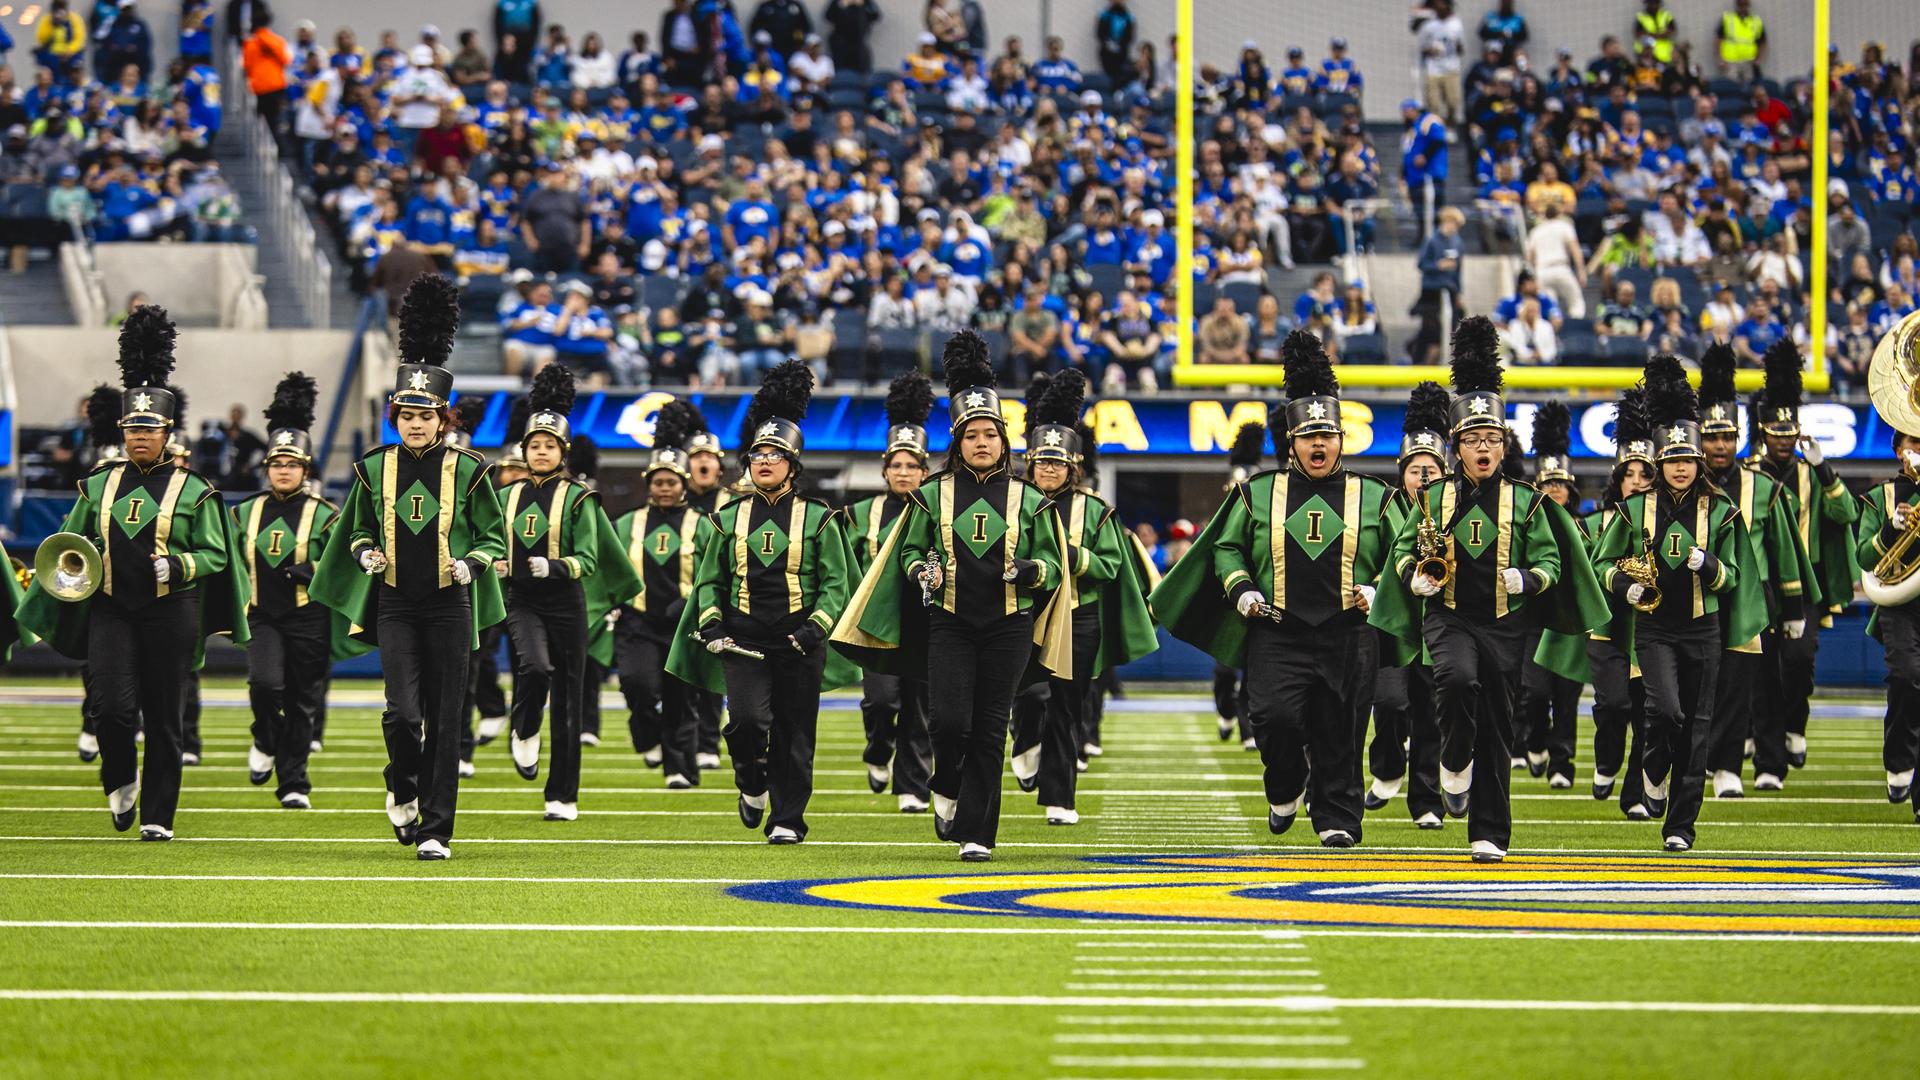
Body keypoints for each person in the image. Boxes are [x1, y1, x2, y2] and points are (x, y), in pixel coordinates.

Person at [1369, 317, 1609, 862]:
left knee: (1501, 722)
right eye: (1473, 439)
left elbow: (1551, 560)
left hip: (1506, 623)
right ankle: (1453, 761)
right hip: (1449, 617)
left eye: (1491, 439)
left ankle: (1489, 832)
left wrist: (1525, 578)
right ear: (1457, 447)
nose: (1482, 448)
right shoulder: (1435, 497)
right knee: (1454, 681)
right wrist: (1416, 576)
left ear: (1503, 447)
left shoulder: (1527, 501)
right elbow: (1404, 553)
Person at [831, 330, 1071, 862]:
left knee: (989, 729)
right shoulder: (931, 494)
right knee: (947, 723)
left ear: (1004, 442)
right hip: (950, 622)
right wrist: (924, 573)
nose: (981, 442)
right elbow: (909, 553)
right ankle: (943, 783)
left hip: (1009, 624)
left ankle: (978, 832)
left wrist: (1031, 569)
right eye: (971, 435)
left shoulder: (1030, 499)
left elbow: (1054, 567)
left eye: (990, 434)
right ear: (957, 443)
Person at [17, 307, 250, 842]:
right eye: (132, 427)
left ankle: (158, 816)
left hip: (172, 610)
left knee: (165, 716)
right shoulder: (98, 484)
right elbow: (68, 545)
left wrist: (181, 563)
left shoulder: (196, 490)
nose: (139, 435)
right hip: (112, 608)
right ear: (121, 430)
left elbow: (219, 554)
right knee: (111, 708)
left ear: (168, 432)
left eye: (149, 427)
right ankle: (119, 777)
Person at [1153, 331, 1391, 847]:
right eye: (1309, 437)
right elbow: (1225, 548)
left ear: (1341, 440)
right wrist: (1240, 590)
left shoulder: (1375, 495)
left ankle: (1337, 819)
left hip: (1349, 632)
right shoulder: (1257, 492)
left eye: (1328, 435)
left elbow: (1405, 554)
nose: (1320, 444)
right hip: (1277, 629)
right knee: (1272, 718)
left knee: (1341, 730)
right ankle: (1285, 786)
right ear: (1292, 442)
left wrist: (1375, 589)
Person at [310, 275, 508, 861]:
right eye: (406, 413)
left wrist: (472, 564)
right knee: (401, 713)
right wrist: (364, 552)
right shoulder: (374, 468)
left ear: (443, 418)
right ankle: (402, 784)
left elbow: (493, 536)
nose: (415, 423)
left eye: (426, 415)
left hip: (450, 602)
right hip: (396, 601)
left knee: (447, 719)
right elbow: (357, 528)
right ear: (395, 415)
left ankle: (436, 829)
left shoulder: (470, 469)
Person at [667, 360, 857, 846]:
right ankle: (750, 780)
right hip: (743, 639)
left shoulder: (820, 518)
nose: (764, 462)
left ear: (793, 464)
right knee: (748, 721)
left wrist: (815, 627)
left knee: (796, 733)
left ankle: (788, 818)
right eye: (757, 455)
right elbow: (710, 581)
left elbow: (837, 582)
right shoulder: (726, 518)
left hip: (800, 640)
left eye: (775, 455)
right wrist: (710, 625)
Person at [1590, 354, 1765, 852]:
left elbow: (1732, 577)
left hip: (1703, 629)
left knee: (1698, 728)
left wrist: (1707, 566)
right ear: (1660, 464)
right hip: (1654, 628)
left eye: (1688, 460)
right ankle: (1652, 768)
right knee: (1665, 711)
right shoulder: (1633, 508)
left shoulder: (1723, 511)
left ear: (1698, 463)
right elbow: (1604, 567)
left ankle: (1680, 827)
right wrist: (1629, 588)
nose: (1682, 468)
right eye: (1673, 460)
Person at [1011, 371, 1157, 825]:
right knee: (1030, 694)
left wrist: (1072, 556)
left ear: (1073, 467)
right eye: (1042, 462)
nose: (1049, 470)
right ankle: (1025, 741)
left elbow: (1111, 565)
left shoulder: (1096, 510)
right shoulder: (1013, 502)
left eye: (1058, 464)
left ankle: (1060, 798)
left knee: (1068, 705)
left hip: (1078, 616)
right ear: (1029, 464)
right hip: (1024, 613)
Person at [494, 366, 637, 820]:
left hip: (566, 603)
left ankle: (562, 795)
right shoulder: (505, 496)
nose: (540, 451)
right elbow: (489, 541)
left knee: (571, 701)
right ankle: (525, 726)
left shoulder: (579, 498)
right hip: (521, 600)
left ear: (563, 452)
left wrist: (555, 566)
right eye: (534, 445)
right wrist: (496, 564)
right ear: (524, 449)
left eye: (549, 445)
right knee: (534, 668)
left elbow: (590, 560)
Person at [1697, 343, 1811, 799]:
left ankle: (1730, 765)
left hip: (1750, 595)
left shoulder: (1761, 486)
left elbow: (1783, 549)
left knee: (1743, 683)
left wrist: (1793, 608)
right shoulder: (1681, 483)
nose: (1720, 445)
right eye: (1711, 437)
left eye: (1727, 437)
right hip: (1695, 592)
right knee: (1693, 683)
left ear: (1740, 437)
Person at [1751, 340, 1858, 779]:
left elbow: (1847, 513)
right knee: (1761, 670)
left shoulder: (1812, 473)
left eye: (1789, 434)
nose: (1784, 441)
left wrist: (1825, 468)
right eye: (1776, 434)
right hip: (1760, 584)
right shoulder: (1749, 475)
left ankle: (1795, 725)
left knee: (1798, 660)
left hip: (1806, 582)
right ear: (1763, 434)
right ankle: (1769, 761)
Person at [234, 372, 335, 810]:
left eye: (292, 464)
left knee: (302, 702)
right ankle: (263, 736)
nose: (284, 470)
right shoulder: (243, 511)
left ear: (305, 470)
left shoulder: (325, 513)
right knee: (265, 686)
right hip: (262, 614)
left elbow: (342, 563)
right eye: (277, 464)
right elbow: (229, 562)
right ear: (267, 468)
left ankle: (294, 782)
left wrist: (311, 570)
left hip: (308, 616)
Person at [844, 374, 937, 813]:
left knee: (919, 707)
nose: (903, 473)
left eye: (911, 466)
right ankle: (877, 749)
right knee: (880, 701)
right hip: (874, 622)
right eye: (896, 466)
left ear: (925, 471)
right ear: (884, 471)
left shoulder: (938, 510)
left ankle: (912, 788)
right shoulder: (859, 513)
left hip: (922, 621)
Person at [1366, 382, 1451, 826]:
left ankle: (1426, 802)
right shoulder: (1380, 507)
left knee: (1431, 715)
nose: (1423, 477)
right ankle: (1386, 766)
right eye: (1415, 469)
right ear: (1402, 473)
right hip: (1393, 626)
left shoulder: (1456, 509)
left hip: (1439, 627)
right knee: (1391, 703)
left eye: (1431, 470)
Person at [1856, 358, 1920, 818]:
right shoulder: (1882, 497)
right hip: (1900, 602)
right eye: (1912, 441)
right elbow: (1864, 555)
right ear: (1899, 449)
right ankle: (1898, 760)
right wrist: (1893, 528)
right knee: (1904, 677)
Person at [1513, 403, 1582, 786]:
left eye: (1560, 484)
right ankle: (1535, 739)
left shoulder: (1584, 527)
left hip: (1569, 625)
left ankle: (1562, 764)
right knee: (1534, 693)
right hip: (1534, 623)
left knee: (1568, 698)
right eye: (1547, 484)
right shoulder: (1525, 526)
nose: (1554, 490)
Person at [1207, 423, 1264, 748]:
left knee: (1253, 672)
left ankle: (1248, 730)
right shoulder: (1217, 523)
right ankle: (1225, 711)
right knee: (1224, 672)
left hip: (1256, 600)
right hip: (1224, 605)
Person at [1716, 0, 1765, 83]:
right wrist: (1720, 59)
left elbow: (1763, 41)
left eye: (1745, 4)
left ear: (1748, 5)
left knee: (1749, 86)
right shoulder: (1728, 19)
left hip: (1749, 61)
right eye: (1740, 4)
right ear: (1737, 5)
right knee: (1731, 86)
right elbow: (1718, 39)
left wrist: (1759, 59)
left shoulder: (1756, 21)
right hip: (1731, 61)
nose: (1742, 7)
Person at [1094, 0, 1135, 87]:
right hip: (1107, 52)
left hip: (1121, 53)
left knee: (1120, 75)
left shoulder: (1128, 17)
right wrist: (1108, 43)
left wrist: (1120, 45)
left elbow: (1130, 36)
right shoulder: (1105, 15)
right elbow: (1100, 33)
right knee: (1107, 75)